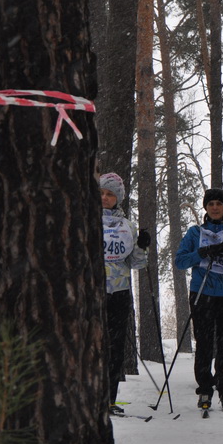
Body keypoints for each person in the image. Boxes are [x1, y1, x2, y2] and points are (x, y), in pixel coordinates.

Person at [174, 189, 223, 411]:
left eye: (219, 204)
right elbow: (180, 261)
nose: (215, 207)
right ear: (205, 207)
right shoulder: (196, 233)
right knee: (204, 342)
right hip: (202, 293)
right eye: (211, 203)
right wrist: (203, 253)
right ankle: (205, 388)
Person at [99, 172, 149, 414]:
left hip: (119, 293)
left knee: (115, 348)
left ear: (118, 198)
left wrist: (142, 246)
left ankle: (109, 399)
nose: (105, 198)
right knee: (93, 346)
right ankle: (91, 397)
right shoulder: (87, 220)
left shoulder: (127, 225)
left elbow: (136, 263)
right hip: (93, 292)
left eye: (110, 194)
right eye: (101, 193)